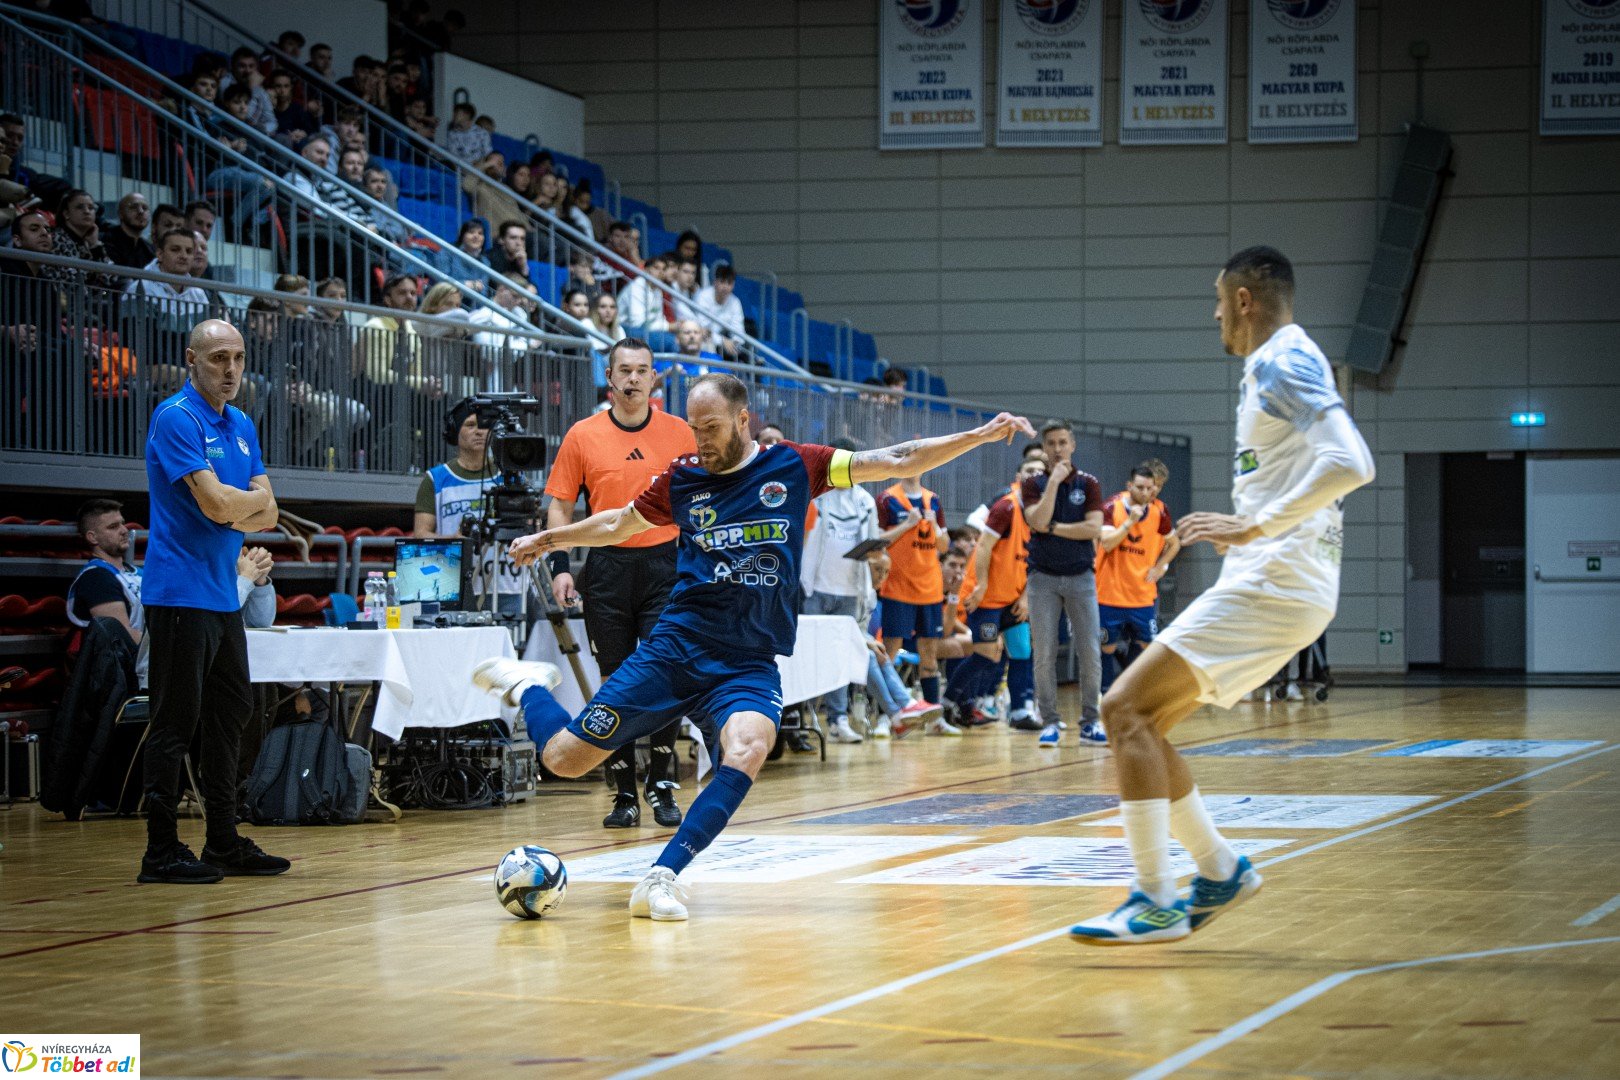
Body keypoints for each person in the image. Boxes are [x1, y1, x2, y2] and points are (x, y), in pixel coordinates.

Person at [471, 374, 1032, 919]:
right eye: (694, 428)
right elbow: (621, 523)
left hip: (746, 663)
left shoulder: (794, 464)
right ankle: (528, 686)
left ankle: (661, 878)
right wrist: (551, 539)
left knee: (748, 747)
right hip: (675, 651)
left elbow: (899, 459)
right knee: (563, 761)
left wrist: (978, 435)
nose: (701, 440)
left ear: (744, 420)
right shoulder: (682, 477)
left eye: (711, 427)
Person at [1067, 246, 1374, 946]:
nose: (1213, 314)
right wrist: (1249, 523)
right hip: (1279, 578)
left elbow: (1352, 460)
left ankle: (1154, 899)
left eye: (1217, 298)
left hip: (1278, 576)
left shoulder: (1280, 359)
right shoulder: (1276, 365)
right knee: (1140, 721)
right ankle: (1218, 869)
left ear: (1244, 298)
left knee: (1122, 708)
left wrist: (1256, 525)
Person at [139, 319, 288, 884]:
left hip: (222, 594)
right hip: (178, 592)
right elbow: (218, 507)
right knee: (174, 723)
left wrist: (241, 502)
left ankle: (222, 840)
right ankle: (159, 851)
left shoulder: (242, 423)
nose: (231, 370)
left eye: (239, 359)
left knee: (230, 715)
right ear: (192, 359)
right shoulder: (175, 417)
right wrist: (243, 502)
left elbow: (268, 514)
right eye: (219, 358)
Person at [540, 339, 699, 828]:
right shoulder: (582, 435)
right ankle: (624, 792)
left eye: (642, 371)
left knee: (665, 675)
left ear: (655, 380)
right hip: (606, 568)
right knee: (615, 683)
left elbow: (704, 499)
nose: (633, 379)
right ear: (609, 378)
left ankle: (663, 784)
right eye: (624, 371)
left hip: (665, 567)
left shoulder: (680, 434)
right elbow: (561, 506)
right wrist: (561, 564)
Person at [1021, 419, 1106, 748]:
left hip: (1081, 576)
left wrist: (1053, 527)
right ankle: (1051, 721)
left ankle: (1090, 721)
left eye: (1062, 443)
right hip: (1042, 578)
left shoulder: (1090, 484)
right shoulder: (1033, 485)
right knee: (1043, 653)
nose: (1057, 449)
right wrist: (1053, 483)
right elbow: (1036, 521)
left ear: (1072, 445)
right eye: (1051, 444)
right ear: (1044, 449)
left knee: (1090, 651)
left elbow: (1093, 529)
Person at [798, 436, 879, 744]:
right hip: (815, 586)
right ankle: (803, 721)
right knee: (809, 656)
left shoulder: (866, 501)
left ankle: (837, 720)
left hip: (850, 589)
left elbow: (873, 546)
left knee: (839, 658)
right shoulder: (815, 496)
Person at [412, 398, 528, 611]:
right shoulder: (436, 479)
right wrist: (456, 540)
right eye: (470, 425)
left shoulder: (510, 476)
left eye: (485, 426)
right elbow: (420, 535)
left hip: (506, 583)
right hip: (454, 583)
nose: (479, 432)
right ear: (455, 431)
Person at [949, 464, 1033, 727]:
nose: (1034, 476)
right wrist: (982, 584)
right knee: (985, 655)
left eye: (1039, 472)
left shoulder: (1043, 511)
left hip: (1014, 597)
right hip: (986, 596)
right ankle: (949, 701)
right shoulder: (1005, 506)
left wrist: (1027, 595)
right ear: (1018, 476)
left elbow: (1039, 557)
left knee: (1021, 650)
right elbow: (983, 544)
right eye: (1029, 470)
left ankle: (1020, 711)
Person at [876, 471, 955, 734]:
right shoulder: (888, 499)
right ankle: (887, 717)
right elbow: (878, 542)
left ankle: (933, 718)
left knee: (929, 655)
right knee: (889, 653)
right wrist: (906, 525)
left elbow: (944, 546)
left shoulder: (934, 500)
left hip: (930, 589)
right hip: (898, 587)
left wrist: (933, 526)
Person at [1095, 463, 1180, 696]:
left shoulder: (1160, 511)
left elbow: (1174, 542)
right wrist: (1130, 521)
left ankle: (1130, 691)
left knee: (1145, 644)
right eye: (1143, 488)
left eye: (1154, 488)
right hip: (1110, 592)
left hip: (1142, 593)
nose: (1149, 493)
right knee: (1106, 646)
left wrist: (1162, 566)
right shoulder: (1112, 507)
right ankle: (1105, 693)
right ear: (1131, 485)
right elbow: (1108, 542)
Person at [218, 47, 276, 135]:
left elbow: (272, 121)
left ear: (257, 68)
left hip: (258, 133)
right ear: (233, 67)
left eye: (251, 66)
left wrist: (263, 131)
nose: (247, 71)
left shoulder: (259, 89)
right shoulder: (225, 82)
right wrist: (252, 88)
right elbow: (246, 116)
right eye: (242, 66)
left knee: (283, 138)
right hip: (233, 130)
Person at [694, 263, 745, 359]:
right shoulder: (703, 296)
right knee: (708, 345)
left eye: (729, 283)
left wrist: (734, 343)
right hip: (704, 339)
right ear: (715, 282)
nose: (725, 287)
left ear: (733, 285)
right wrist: (723, 341)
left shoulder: (735, 302)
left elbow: (739, 330)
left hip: (724, 339)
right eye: (722, 282)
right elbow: (703, 329)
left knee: (744, 350)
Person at [103, 192, 154, 269]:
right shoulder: (106, 242)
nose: (141, 211)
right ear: (121, 214)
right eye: (134, 207)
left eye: (145, 208)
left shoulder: (149, 250)